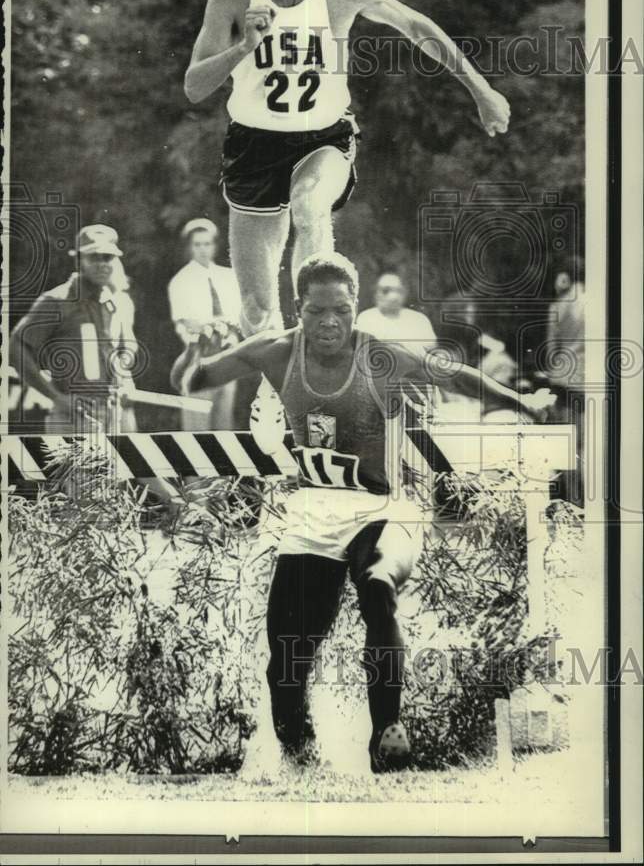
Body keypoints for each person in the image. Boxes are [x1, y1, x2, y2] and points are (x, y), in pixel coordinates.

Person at [171, 253, 552, 772]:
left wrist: (524, 403)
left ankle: (387, 733)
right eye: (317, 311)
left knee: (378, 585)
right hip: (312, 512)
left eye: (342, 311)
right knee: (285, 656)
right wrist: (197, 347)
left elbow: (454, 374)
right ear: (299, 310)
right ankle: (298, 748)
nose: (330, 322)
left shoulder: (379, 356)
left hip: (381, 506)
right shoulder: (277, 352)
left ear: (356, 309)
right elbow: (192, 382)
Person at [184, 0, 511, 339]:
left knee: (309, 204)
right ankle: (273, 398)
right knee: (256, 310)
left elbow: (416, 27)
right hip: (252, 145)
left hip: (324, 138)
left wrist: (481, 90)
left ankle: (315, 332)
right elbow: (195, 86)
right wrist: (243, 48)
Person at [9, 224, 184, 513]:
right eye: (95, 257)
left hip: (114, 409)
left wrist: (126, 384)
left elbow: (125, 350)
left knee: (130, 481)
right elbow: (17, 347)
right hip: (75, 413)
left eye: (108, 257)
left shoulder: (117, 301)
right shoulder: (56, 301)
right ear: (79, 260)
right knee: (88, 506)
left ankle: (181, 509)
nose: (103, 264)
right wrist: (56, 398)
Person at [168, 218, 242, 430]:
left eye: (207, 243)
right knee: (197, 424)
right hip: (197, 356)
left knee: (224, 422)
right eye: (197, 244)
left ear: (214, 246)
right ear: (189, 247)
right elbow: (182, 325)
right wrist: (198, 345)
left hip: (227, 355)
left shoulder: (228, 277)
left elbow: (237, 318)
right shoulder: (181, 280)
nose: (202, 249)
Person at [543, 255, 585, 503]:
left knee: (569, 445)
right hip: (591, 381)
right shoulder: (597, 302)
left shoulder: (558, 307)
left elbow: (551, 350)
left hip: (565, 382)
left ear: (564, 276)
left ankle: (573, 502)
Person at [356, 271, 436, 352]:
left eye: (398, 290)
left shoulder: (419, 319)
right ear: (376, 293)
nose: (393, 296)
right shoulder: (366, 318)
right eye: (386, 290)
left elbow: (433, 351)